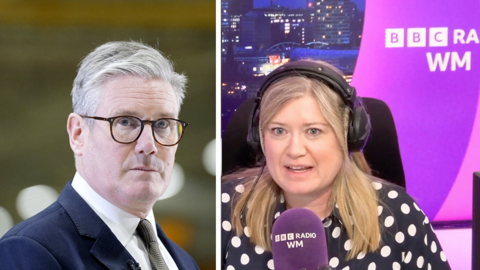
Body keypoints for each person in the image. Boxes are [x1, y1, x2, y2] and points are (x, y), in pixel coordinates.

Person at [221, 60, 451, 270]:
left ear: (348, 136)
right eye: (278, 131)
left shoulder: (398, 214)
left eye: (313, 131)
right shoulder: (226, 209)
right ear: (259, 138)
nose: (294, 150)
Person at [0, 41, 199, 270]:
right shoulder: (30, 251)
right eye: (125, 122)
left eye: (163, 124)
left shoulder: (183, 262)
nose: (149, 145)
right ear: (78, 134)